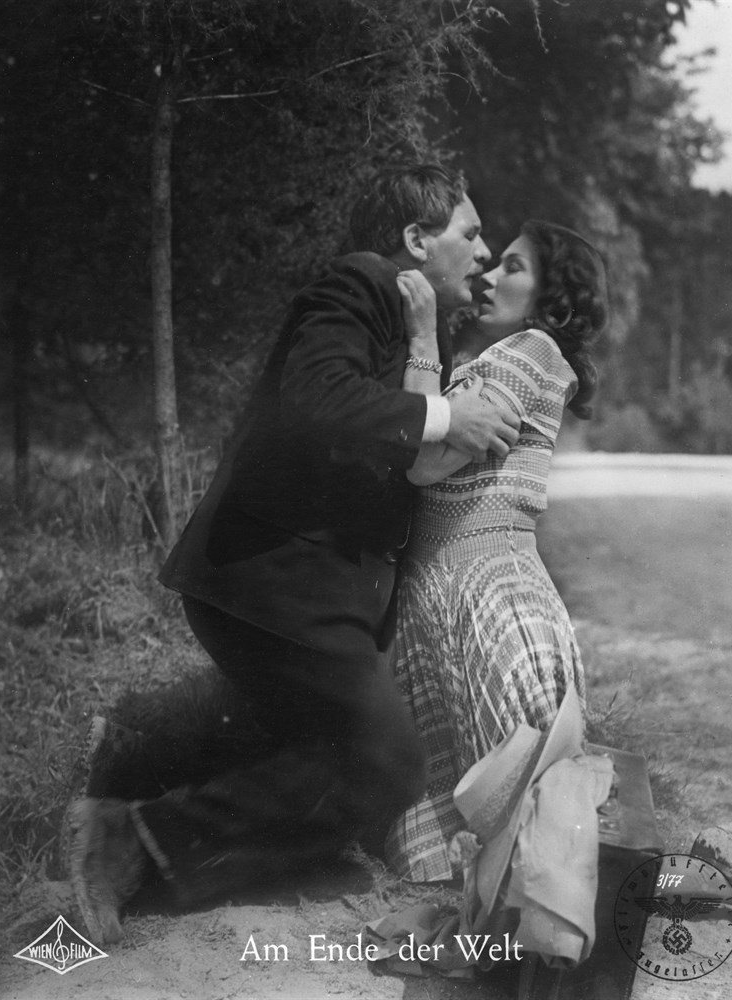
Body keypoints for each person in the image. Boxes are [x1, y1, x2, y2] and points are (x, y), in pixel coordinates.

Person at [66, 164, 521, 945]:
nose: (482, 253)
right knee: (386, 760)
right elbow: (315, 399)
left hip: (302, 589)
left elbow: (399, 455)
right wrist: (448, 414)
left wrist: (445, 410)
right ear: (415, 240)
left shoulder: (413, 318)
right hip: (271, 579)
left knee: (340, 757)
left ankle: (174, 821)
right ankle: (134, 838)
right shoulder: (361, 282)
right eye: (470, 234)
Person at [384, 220, 609, 882]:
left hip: (490, 596)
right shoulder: (505, 357)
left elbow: (422, 463)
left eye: (512, 267)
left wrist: (424, 338)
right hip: (452, 590)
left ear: (550, 297)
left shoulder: (531, 349)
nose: (488, 276)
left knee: (532, 831)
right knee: (488, 845)